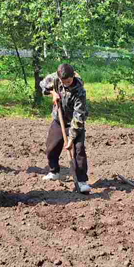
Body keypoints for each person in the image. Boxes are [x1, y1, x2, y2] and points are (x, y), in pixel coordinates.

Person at [39, 64, 91, 193]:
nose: (66, 84)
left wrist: (71, 139)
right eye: (63, 82)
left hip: (75, 122)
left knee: (78, 150)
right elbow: (42, 84)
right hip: (59, 118)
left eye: (68, 81)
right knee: (51, 146)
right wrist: (53, 93)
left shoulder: (80, 91)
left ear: (73, 76)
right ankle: (54, 171)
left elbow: (78, 117)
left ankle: (81, 181)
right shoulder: (55, 78)